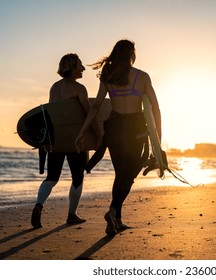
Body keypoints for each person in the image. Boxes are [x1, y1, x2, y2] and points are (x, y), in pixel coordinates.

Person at [75, 39, 161, 236]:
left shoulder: (108, 75)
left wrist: (82, 131)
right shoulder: (142, 76)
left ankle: (118, 219)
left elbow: (96, 106)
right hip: (135, 129)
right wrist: (158, 138)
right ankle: (113, 211)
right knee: (128, 175)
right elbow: (155, 107)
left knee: (120, 173)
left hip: (113, 128)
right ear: (132, 54)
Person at [31, 53, 100, 229]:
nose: (83, 68)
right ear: (72, 67)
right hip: (75, 140)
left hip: (56, 139)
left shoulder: (54, 87)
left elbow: (52, 115)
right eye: (80, 65)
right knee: (77, 177)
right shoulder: (79, 88)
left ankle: (38, 205)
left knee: (52, 177)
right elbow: (88, 114)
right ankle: (71, 215)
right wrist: (99, 136)